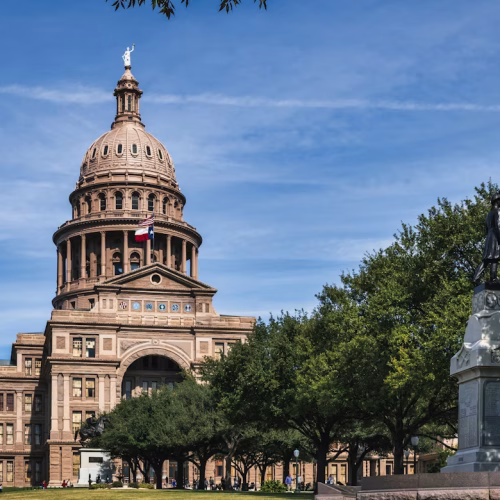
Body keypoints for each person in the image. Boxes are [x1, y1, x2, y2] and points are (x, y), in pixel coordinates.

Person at [474, 191, 500, 283]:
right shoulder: (498, 211)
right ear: (497, 201)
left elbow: (486, 228)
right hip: (496, 237)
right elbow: (498, 226)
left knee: (487, 259)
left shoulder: (489, 214)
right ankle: (493, 278)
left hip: (489, 237)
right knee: (495, 257)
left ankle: (476, 277)